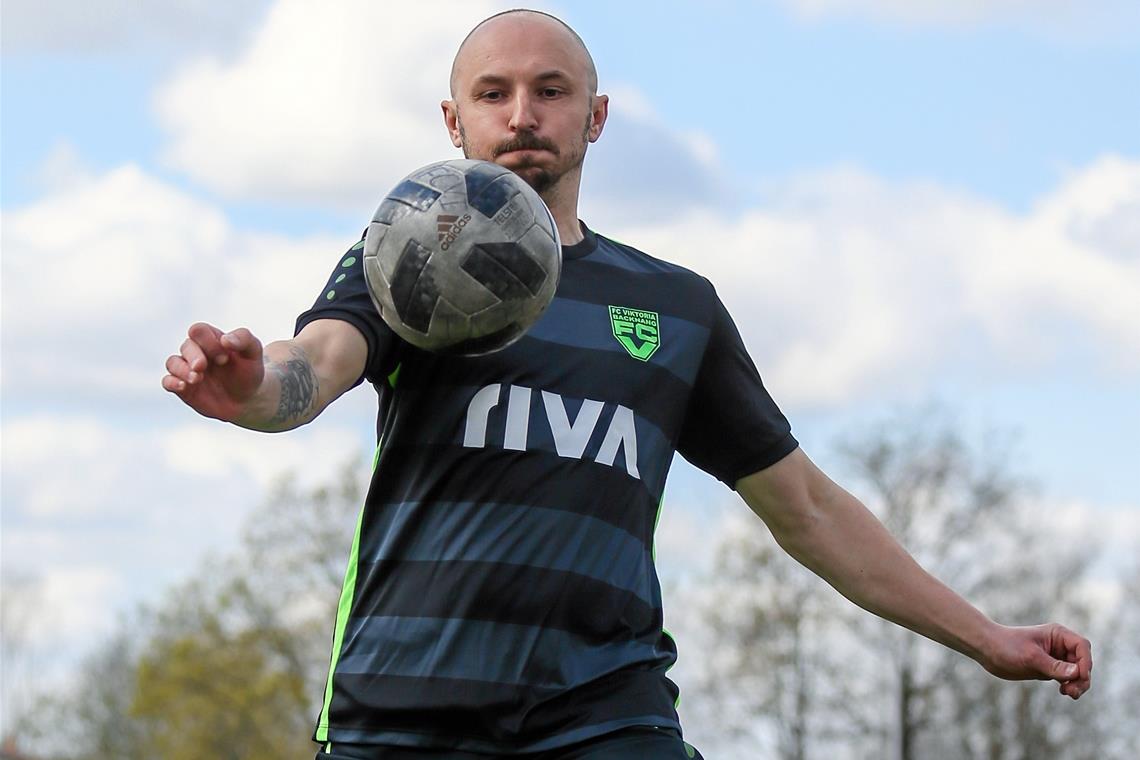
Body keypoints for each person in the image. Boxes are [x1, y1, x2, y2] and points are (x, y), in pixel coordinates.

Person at [162, 9, 1093, 759]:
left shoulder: (678, 310)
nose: (522, 112)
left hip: (605, 712)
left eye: (550, 90)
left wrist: (987, 637)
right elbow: (314, 364)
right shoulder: (408, 262)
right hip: (404, 708)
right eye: (494, 93)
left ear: (594, 117)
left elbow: (806, 506)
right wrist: (248, 389)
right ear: (454, 124)